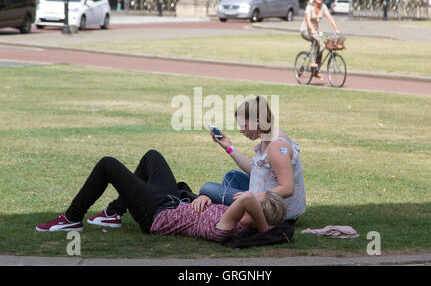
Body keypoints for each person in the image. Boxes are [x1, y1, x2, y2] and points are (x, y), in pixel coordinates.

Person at [36, 150, 287, 243]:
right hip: (173, 201)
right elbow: (245, 203)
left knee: (107, 164)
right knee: (152, 157)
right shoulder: (237, 216)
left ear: (257, 215)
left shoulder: (231, 228)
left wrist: (264, 228)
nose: (250, 196)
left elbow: (247, 200)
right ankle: (113, 213)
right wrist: (203, 199)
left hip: (156, 215)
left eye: (257, 202)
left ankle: (72, 218)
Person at [199, 96, 306, 226]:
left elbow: (288, 188)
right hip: (266, 198)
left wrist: (256, 196)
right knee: (232, 176)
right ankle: (236, 210)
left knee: (207, 188)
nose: (241, 130)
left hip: (277, 212)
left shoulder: (277, 148)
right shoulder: (269, 136)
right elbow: (256, 171)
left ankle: (234, 211)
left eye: (244, 125)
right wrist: (229, 147)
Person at [300, 0, 340, 78]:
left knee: (321, 48)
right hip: (306, 30)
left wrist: (336, 29)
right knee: (317, 41)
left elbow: (329, 18)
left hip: (315, 32)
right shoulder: (309, 7)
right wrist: (312, 30)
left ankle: (315, 71)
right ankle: (312, 62)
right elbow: (308, 20)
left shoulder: (323, 7)